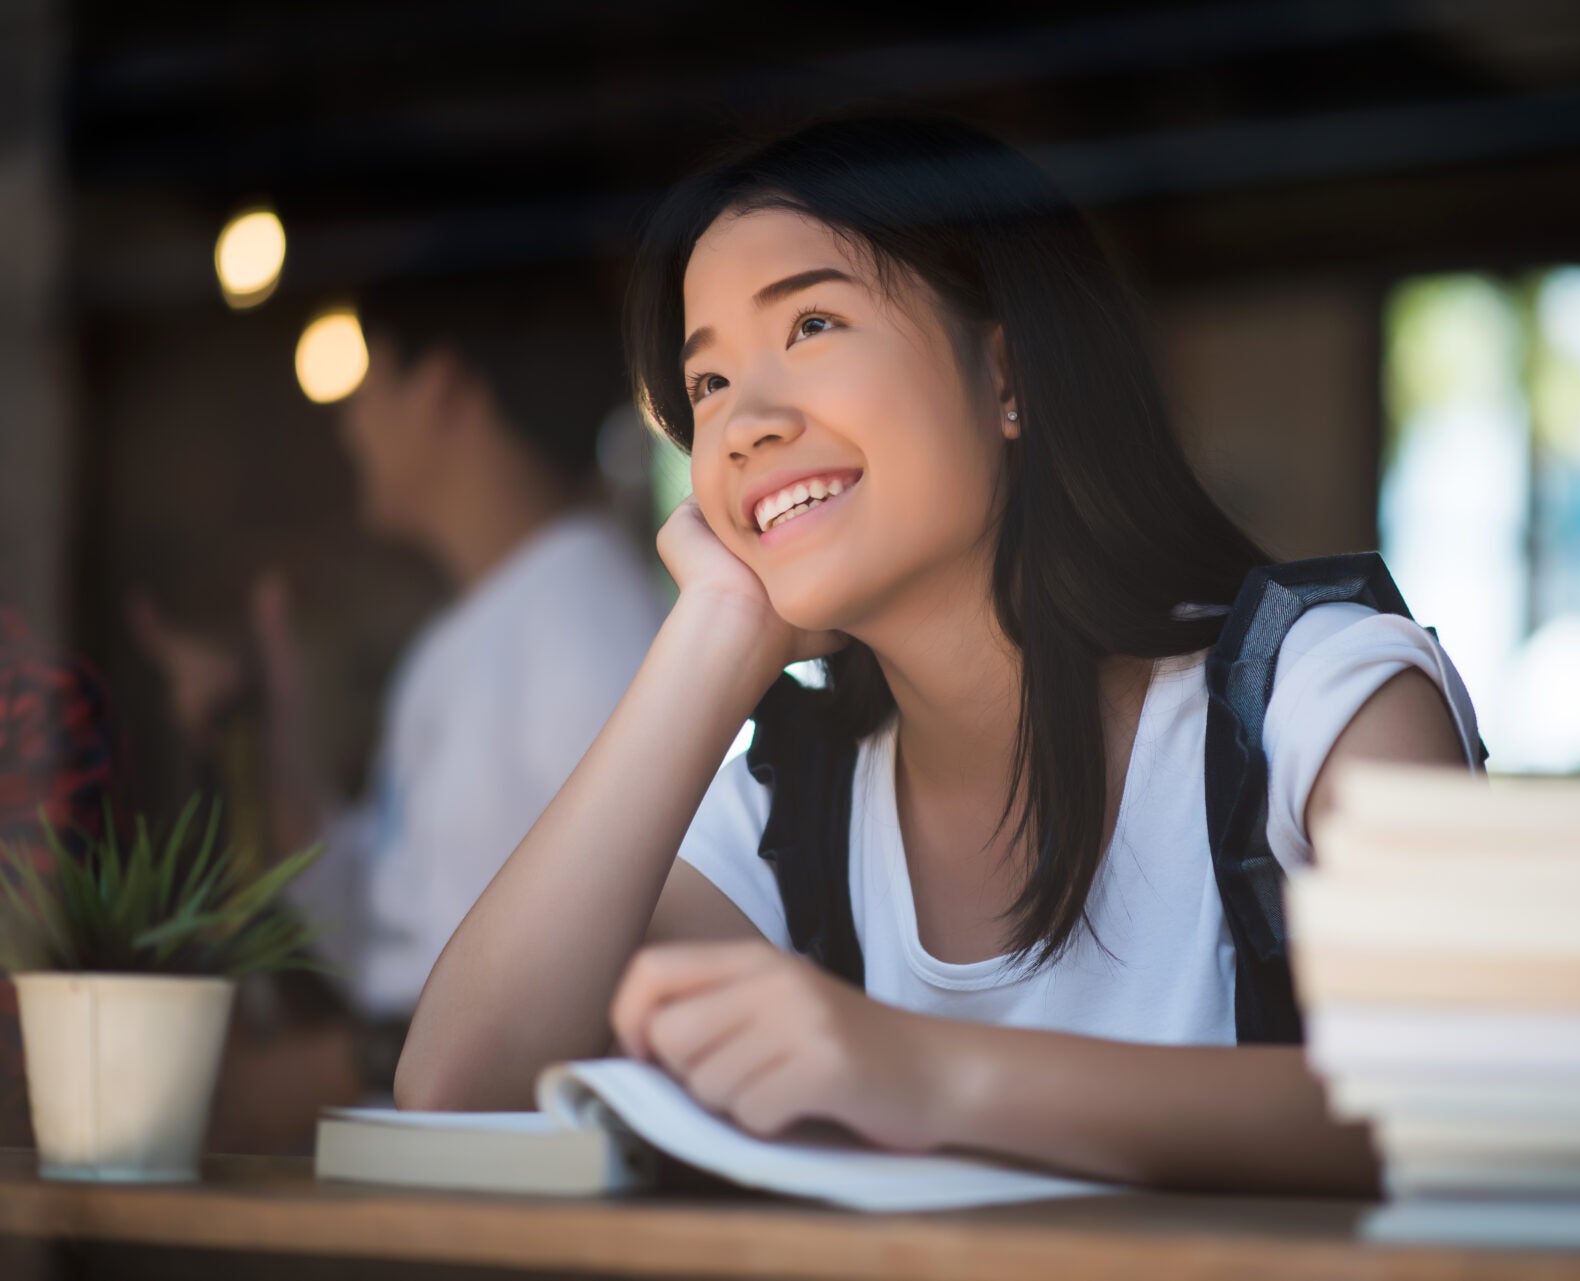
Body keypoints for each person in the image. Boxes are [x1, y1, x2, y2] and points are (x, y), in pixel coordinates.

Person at [396, 116, 1478, 1193]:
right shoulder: (794, 807)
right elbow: (457, 1087)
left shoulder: (1316, 702)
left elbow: (1471, 1103)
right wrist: (712, 642)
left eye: (811, 324)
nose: (743, 425)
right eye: (709, 384)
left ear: (1006, 372)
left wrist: (930, 1078)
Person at [132, 273, 666, 1063]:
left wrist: (336, 1071)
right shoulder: (466, 636)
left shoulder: (585, 620)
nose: (349, 425)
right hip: (430, 1137)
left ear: (443, 388)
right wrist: (264, 739)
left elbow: (638, 949)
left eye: (366, 382)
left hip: (495, 1163)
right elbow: (389, 931)